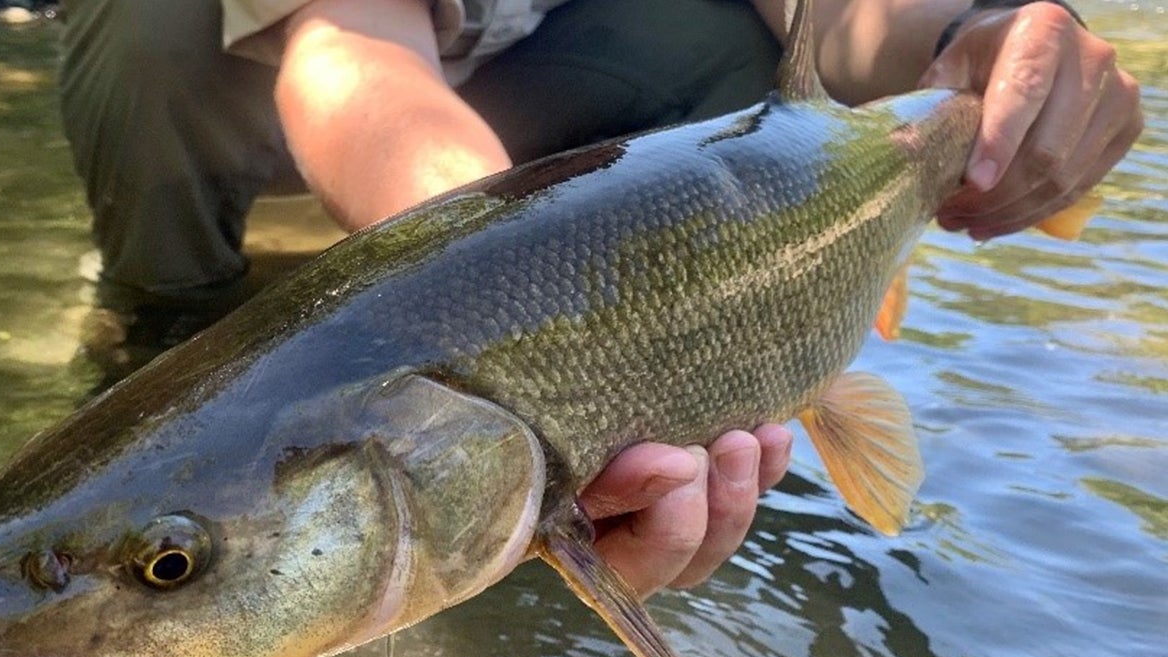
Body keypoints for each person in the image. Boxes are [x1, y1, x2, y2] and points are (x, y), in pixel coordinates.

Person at [56, 0, 1141, 599]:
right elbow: (351, 48)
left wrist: (978, 40)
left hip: (587, 69)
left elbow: (844, 21)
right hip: (293, 65)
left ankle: (745, 329)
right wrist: (500, 303)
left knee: (728, 48)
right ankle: (156, 329)